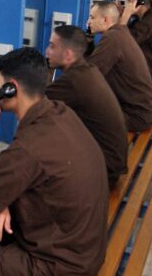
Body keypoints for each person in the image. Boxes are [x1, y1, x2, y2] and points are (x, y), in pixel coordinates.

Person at [0, 48, 108, 276]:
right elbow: (33, 174)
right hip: (83, 255)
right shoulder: (60, 113)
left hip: (57, 275)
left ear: (11, 88)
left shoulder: (30, 147)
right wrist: (1, 198)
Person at [45, 25, 129, 186]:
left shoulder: (74, 81)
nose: (47, 51)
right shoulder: (87, 70)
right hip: (112, 161)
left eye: (52, 46)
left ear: (68, 55)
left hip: (104, 169)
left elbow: (35, 106)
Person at [86, 0, 152, 133]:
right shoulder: (120, 32)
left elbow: (89, 75)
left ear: (105, 20)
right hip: (142, 110)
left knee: (80, 116)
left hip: (135, 116)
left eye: (92, 17)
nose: (88, 22)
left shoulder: (112, 39)